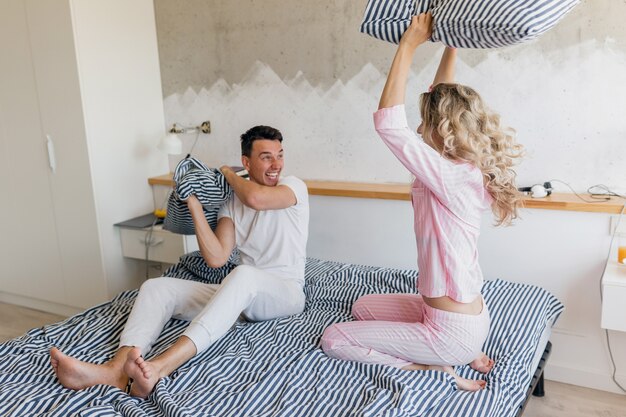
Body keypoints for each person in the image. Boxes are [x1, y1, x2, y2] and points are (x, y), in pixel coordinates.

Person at [321, 13, 523, 391]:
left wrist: (408, 45)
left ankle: (428, 364)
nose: (418, 126)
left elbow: (387, 124)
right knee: (361, 307)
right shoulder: (458, 166)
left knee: (334, 337)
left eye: (425, 120)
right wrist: (451, 40)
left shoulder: (450, 174)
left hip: (451, 331)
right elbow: (440, 91)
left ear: (441, 128)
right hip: (462, 317)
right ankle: (458, 350)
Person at [50, 125, 309, 398]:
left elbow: (255, 198)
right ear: (248, 161)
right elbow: (216, 257)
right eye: (266, 157)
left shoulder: (293, 187)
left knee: (244, 274)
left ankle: (159, 368)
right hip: (242, 297)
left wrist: (229, 172)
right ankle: (116, 369)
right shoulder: (231, 203)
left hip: (285, 293)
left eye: (279, 155)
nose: (276, 164)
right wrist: (192, 201)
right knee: (155, 287)